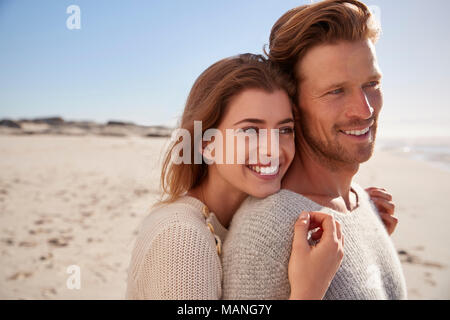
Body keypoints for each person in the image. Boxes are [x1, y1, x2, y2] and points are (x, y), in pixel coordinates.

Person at [125, 53, 395, 299]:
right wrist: (308, 291)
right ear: (206, 144)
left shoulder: (225, 221)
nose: (272, 149)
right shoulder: (183, 238)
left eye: (284, 130)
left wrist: (358, 224)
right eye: (250, 131)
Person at [221, 0, 407, 300]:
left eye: (371, 83)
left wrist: (364, 226)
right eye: (336, 91)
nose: (365, 109)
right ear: (293, 109)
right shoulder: (269, 228)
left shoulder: (361, 202)